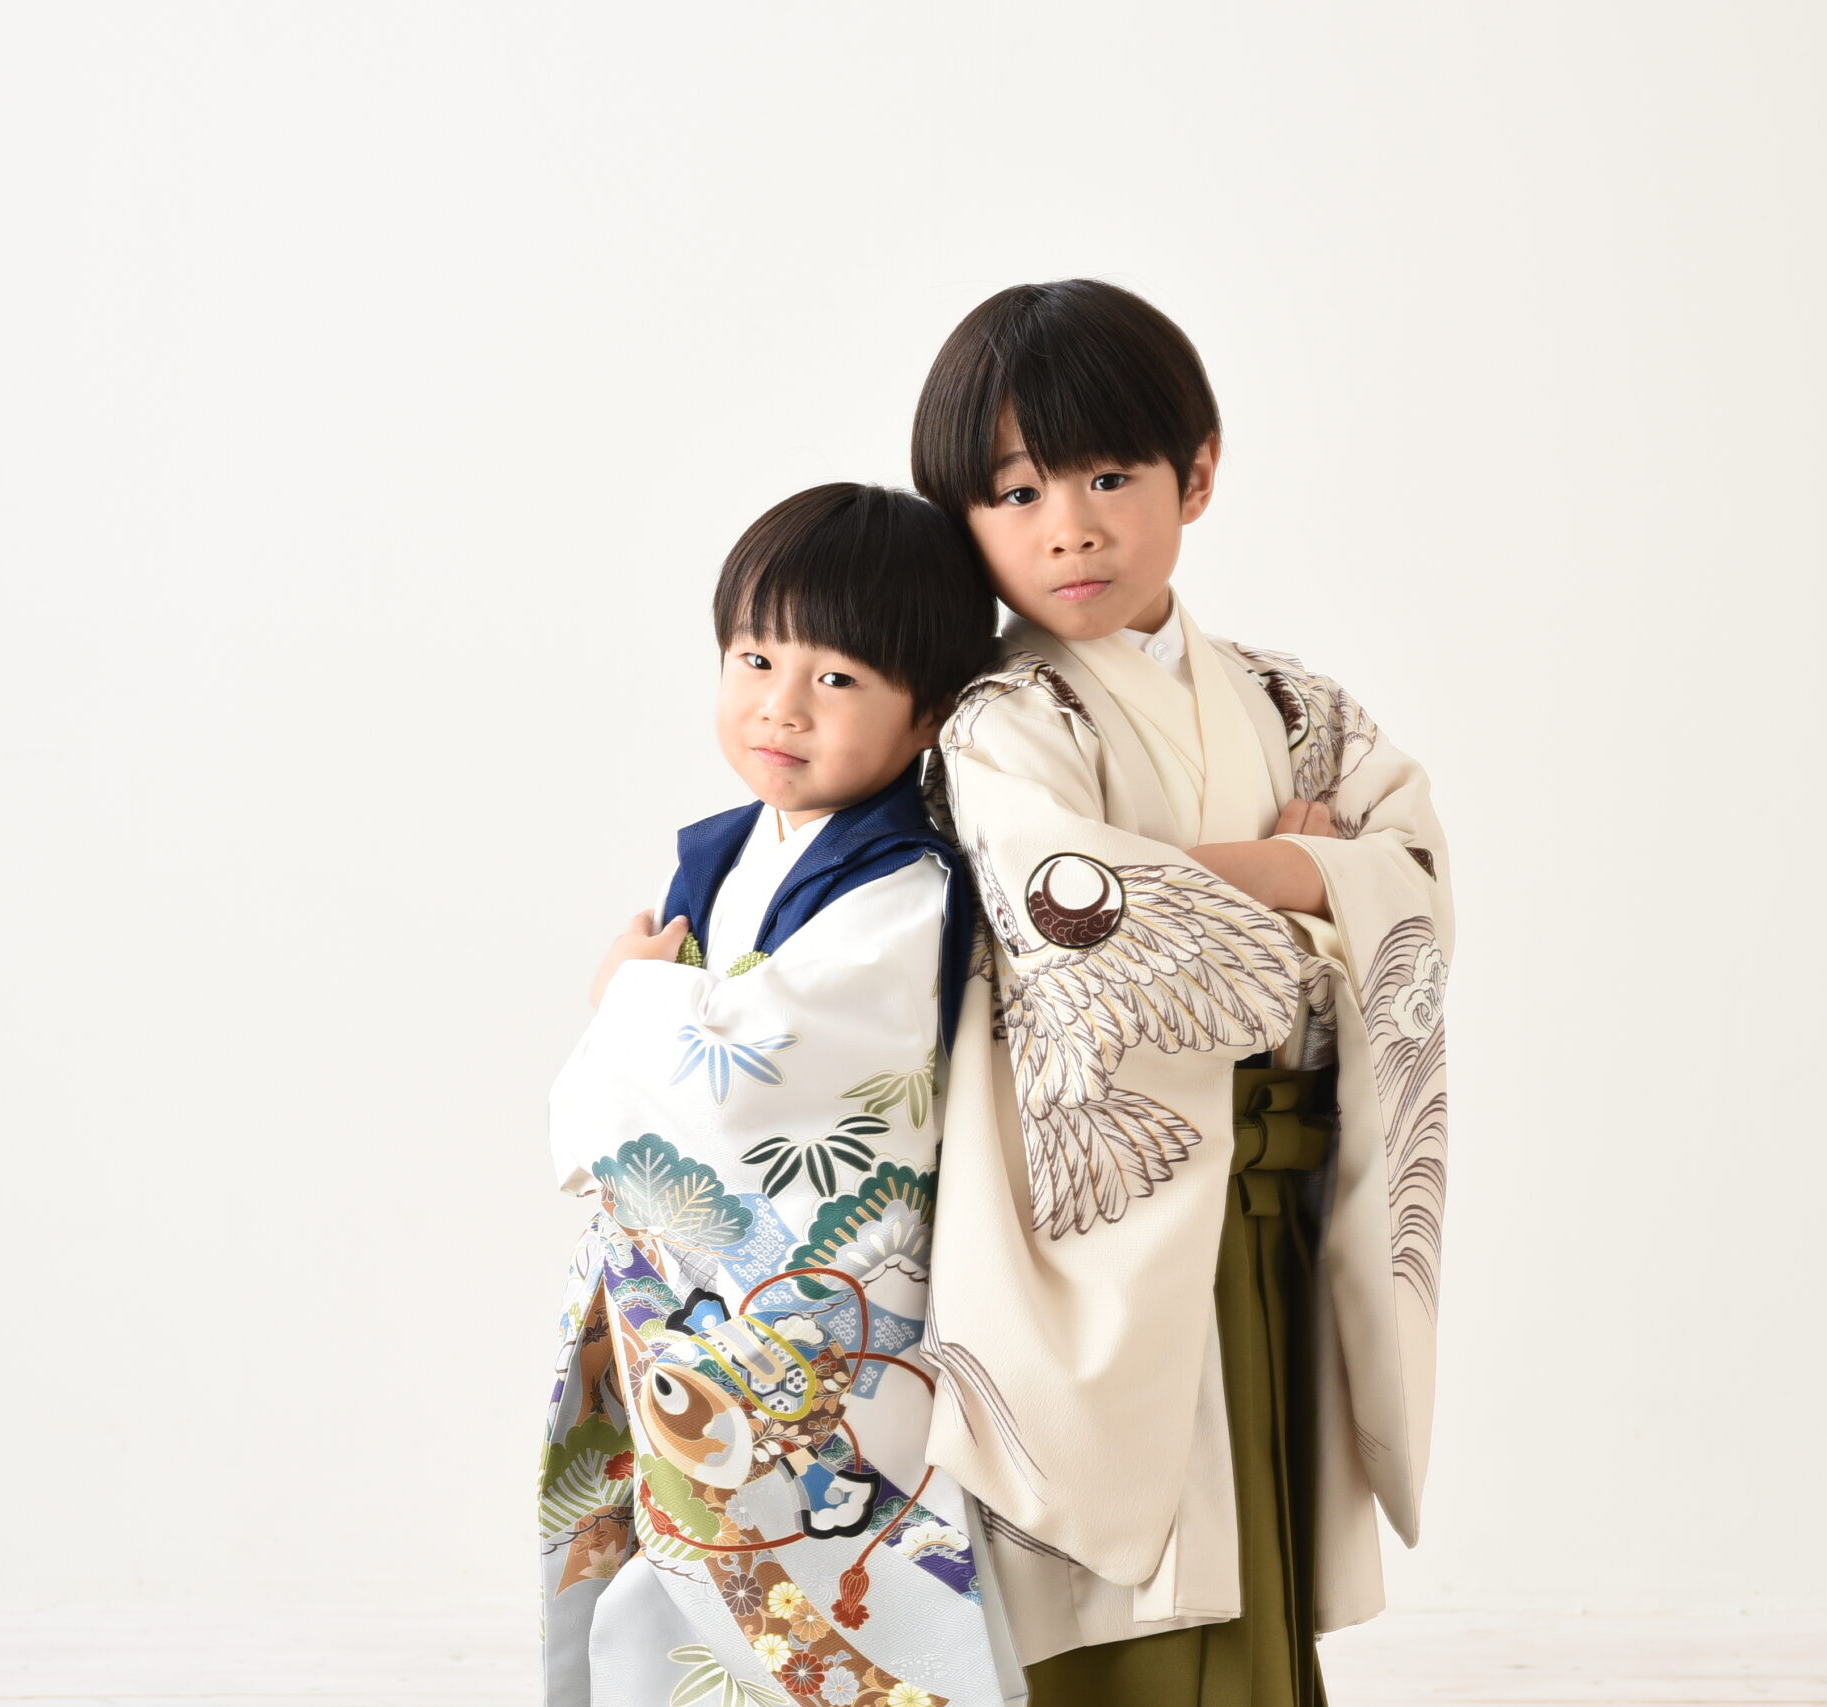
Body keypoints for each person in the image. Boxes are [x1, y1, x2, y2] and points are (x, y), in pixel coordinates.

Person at [908, 281, 1456, 1706]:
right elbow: (1079, 921)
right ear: (964, 519)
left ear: (1195, 473)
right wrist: (1312, 874)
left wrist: (1225, 880)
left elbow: (1418, 880)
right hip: (1112, 1213)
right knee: (1137, 1572)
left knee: (1250, 1535)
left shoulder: (1287, 702)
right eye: (1014, 492)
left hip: (1278, 1189)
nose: (1067, 527)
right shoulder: (1002, 720)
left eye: (1106, 477)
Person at [538, 483, 1025, 1707]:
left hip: (808, 1321)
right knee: (662, 1568)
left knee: (803, 1578)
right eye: (755, 658)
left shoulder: (904, 885)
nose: (780, 704)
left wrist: (625, 996)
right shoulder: (722, 852)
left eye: (836, 677)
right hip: (682, 1300)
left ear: (929, 713)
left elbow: (757, 1073)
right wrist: (648, 1007)